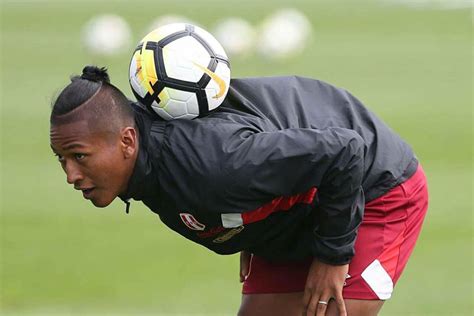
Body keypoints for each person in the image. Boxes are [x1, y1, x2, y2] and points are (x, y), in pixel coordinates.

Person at [50, 66, 428, 316]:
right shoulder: (152, 160)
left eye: (79, 156)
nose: (71, 174)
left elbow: (345, 152)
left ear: (127, 141)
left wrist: (333, 256)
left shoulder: (217, 164)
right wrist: (249, 223)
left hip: (377, 185)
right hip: (299, 204)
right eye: (61, 159)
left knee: (329, 312)